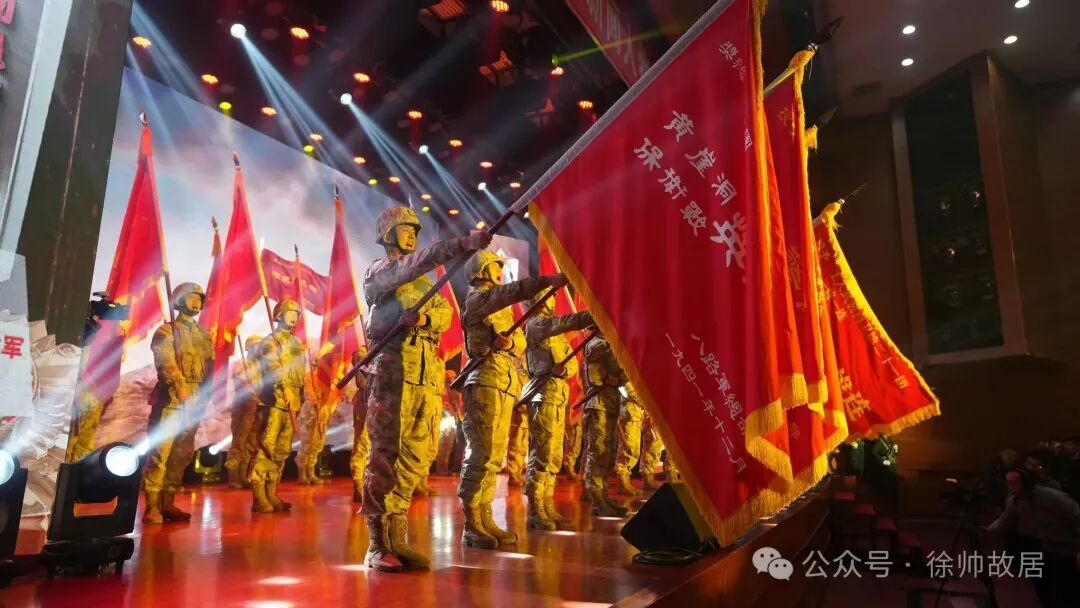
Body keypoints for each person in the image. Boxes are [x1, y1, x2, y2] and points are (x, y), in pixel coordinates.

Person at [361, 205, 492, 572]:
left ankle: (397, 539)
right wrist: (460, 244)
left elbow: (446, 315)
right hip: (392, 372)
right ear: (386, 234)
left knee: (418, 454)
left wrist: (424, 317)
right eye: (403, 228)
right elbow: (413, 264)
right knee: (385, 456)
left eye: (414, 229)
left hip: (425, 375)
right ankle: (377, 544)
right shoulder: (380, 273)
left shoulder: (424, 283)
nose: (410, 234)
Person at [457, 249, 567, 549]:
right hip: (484, 381)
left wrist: (509, 343)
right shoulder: (479, 299)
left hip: (504, 384)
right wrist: (546, 281)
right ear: (482, 271)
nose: (499, 270)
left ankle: (485, 517)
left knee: (494, 457)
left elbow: (518, 343)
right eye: (495, 265)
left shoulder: (501, 308)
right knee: (480, 455)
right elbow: (512, 292)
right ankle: (472, 523)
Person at [142, 282, 214, 524]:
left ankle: (168, 502)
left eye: (200, 298)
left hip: (194, 402)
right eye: (192, 297)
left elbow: (210, 369)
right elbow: (165, 361)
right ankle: (152, 506)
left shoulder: (203, 335)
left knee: (181, 454)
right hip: (171, 399)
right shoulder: (166, 331)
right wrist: (179, 384)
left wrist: (205, 395)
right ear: (180, 300)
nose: (197, 302)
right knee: (160, 453)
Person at [522, 293, 592, 530]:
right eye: (548, 297)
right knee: (541, 450)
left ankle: (547, 502)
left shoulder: (556, 333)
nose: (552, 300)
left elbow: (570, 363)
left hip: (558, 392)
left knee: (554, 453)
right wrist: (592, 316)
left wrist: (564, 371)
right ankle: (535, 508)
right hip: (542, 392)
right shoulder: (536, 324)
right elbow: (563, 322)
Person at [248, 298, 308, 514]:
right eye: (290, 312)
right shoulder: (270, 341)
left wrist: (299, 396)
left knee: (282, 450)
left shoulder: (296, 343)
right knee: (266, 447)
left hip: (292, 403)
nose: (294, 317)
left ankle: (272, 491)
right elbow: (273, 367)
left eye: (297, 314)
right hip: (274, 400)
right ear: (279, 315)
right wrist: (285, 387)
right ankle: (259, 496)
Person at [988, 469, 1080, 607]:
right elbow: (1006, 519)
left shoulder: (1053, 497)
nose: (1009, 488)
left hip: (1064, 549)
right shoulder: (1013, 501)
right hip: (1038, 546)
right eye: (1008, 484)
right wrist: (989, 529)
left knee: (1063, 592)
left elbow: (1077, 517)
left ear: (1027, 483)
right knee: (1041, 587)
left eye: (1013, 484)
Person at [582, 335, 628, 517]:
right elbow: (596, 378)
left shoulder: (612, 344)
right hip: (598, 405)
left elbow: (624, 376)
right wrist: (615, 379)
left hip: (610, 405)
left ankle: (604, 495)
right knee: (598, 453)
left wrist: (618, 379)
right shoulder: (596, 344)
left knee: (609, 455)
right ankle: (597, 499)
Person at [226, 336, 263, 489]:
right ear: (250, 348)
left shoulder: (261, 366)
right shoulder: (242, 364)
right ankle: (234, 476)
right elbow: (241, 384)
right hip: (244, 407)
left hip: (257, 407)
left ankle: (243, 475)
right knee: (239, 442)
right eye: (256, 346)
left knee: (251, 443)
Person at [613, 383, 645, 497]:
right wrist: (643, 401)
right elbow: (625, 388)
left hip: (635, 413)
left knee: (634, 449)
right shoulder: (628, 373)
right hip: (629, 413)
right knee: (627, 449)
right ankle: (622, 483)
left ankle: (625, 481)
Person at [350, 347, 370, 505]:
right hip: (366, 402)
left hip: (381, 404)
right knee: (362, 446)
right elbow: (363, 382)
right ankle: (358, 486)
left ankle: (371, 485)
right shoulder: (362, 352)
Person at [639, 413, 664, 491]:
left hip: (657, 418)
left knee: (655, 449)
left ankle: (649, 478)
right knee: (650, 449)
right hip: (650, 418)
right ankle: (647, 479)